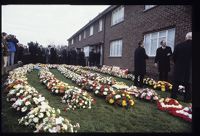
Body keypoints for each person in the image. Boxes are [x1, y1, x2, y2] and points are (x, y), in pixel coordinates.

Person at [171, 32, 192, 103]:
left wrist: (177, 63)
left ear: (186, 38)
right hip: (190, 69)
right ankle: (187, 99)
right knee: (188, 85)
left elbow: (173, 57)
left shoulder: (178, 45)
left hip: (179, 68)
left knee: (176, 83)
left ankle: (173, 97)